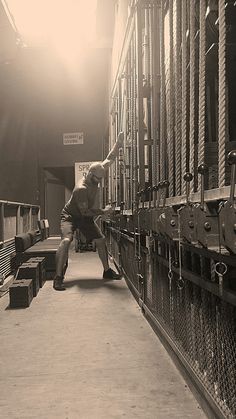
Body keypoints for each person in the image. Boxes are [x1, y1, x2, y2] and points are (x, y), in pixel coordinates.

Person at [53, 131, 124, 290]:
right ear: (90, 174)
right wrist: (103, 211)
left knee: (100, 240)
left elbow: (110, 158)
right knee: (66, 241)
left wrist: (118, 143)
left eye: (101, 178)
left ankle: (107, 271)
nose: (99, 181)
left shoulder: (98, 170)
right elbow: (85, 212)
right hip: (70, 216)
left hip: (83, 217)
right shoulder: (81, 189)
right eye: (97, 179)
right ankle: (58, 277)